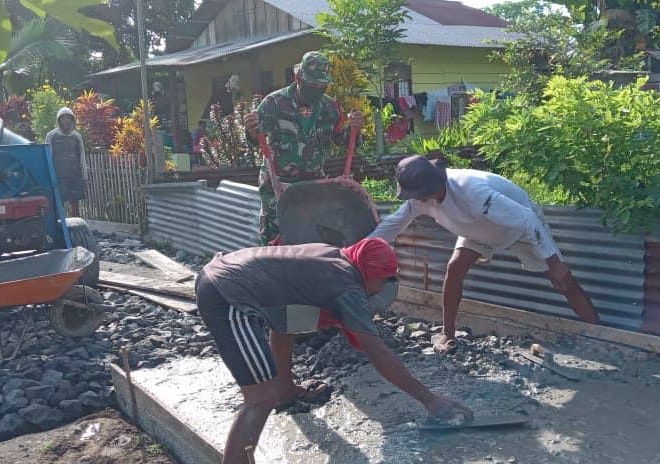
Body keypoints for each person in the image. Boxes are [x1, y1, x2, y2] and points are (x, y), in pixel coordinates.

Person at [196, 237, 473, 464]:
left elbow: (284, 325)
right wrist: (429, 399)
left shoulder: (335, 255)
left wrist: (287, 387)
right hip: (227, 296)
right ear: (369, 272)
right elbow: (378, 352)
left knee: (276, 377)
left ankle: (286, 390)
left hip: (222, 274)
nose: (380, 290)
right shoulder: (346, 285)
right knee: (260, 397)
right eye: (382, 280)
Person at [370, 156, 601, 352]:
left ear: (430, 188)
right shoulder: (420, 201)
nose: (413, 199)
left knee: (562, 280)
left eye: (415, 194)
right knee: (455, 268)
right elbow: (394, 224)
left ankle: (598, 333)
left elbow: (527, 220)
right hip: (477, 229)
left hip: (518, 228)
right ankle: (447, 335)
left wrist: (554, 263)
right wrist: (360, 251)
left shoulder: (472, 191)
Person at [244, 51, 364, 246]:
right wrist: (250, 130)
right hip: (278, 184)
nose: (318, 88)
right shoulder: (273, 103)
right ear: (299, 77)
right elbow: (257, 139)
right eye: (313, 84)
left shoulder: (330, 108)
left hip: (313, 184)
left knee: (313, 235)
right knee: (276, 237)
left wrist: (354, 130)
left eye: (322, 85)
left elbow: (342, 140)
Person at [45, 107, 87, 216]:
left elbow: (82, 156)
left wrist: (84, 176)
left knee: (75, 203)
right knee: (59, 204)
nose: (66, 121)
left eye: (68, 118)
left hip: (74, 175)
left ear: (72, 120)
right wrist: (49, 176)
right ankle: (61, 228)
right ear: (59, 120)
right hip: (59, 177)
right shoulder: (51, 136)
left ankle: (77, 227)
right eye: (63, 118)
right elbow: (48, 157)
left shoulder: (77, 137)